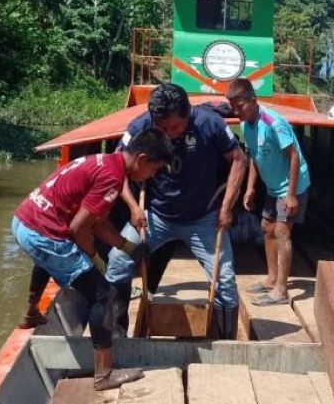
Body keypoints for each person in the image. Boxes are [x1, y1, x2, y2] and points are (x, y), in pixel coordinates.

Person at [11, 129, 174, 391]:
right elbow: (78, 229)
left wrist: (129, 247)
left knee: (46, 259)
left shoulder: (106, 162)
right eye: (154, 169)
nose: (152, 176)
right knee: (103, 294)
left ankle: (30, 313)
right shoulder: (112, 179)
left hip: (23, 222)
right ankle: (104, 374)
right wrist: (96, 260)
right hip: (43, 234)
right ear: (142, 159)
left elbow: (96, 224)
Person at [106, 84, 248, 338]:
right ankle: (117, 338)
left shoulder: (209, 123)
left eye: (176, 127)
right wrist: (132, 206)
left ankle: (224, 343)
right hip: (154, 217)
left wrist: (227, 207)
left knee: (225, 282)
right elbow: (115, 167)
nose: (169, 134)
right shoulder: (140, 126)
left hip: (203, 218)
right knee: (118, 262)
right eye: (163, 128)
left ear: (188, 114)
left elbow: (239, 159)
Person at [225, 78, 311, 306]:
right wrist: (251, 188)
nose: (236, 111)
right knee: (266, 228)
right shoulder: (245, 125)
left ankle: (281, 291)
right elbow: (254, 156)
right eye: (232, 106)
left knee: (282, 231)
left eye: (239, 106)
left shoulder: (274, 123)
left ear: (253, 100)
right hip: (272, 187)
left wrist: (291, 195)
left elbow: (293, 156)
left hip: (292, 185)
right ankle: (272, 279)